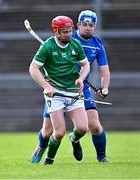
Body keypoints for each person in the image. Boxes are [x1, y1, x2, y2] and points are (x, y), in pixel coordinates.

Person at [31, 10, 110, 164]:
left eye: (91, 25)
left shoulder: (96, 44)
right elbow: (36, 66)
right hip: (56, 88)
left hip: (78, 88)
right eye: (84, 24)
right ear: (78, 25)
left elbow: (102, 70)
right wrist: (47, 85)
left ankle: (100, 156)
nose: (88, 28)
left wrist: (103, 87)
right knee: (49, 131)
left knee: (91, 125)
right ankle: (42, 148)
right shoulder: (64, 38)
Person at [29, 15, 90, 165]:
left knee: (82, 128)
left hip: (74, 91)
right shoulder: (47, 47)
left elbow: (86, 65)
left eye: (70, 31)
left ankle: (74, 139)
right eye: (64, 32)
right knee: (58, 133)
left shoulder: (75, 44)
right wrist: (46, 86)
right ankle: (49, 160)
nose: (68, 34)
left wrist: (81, 78)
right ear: (56, 32)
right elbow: (33, 68)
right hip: (55, 93)